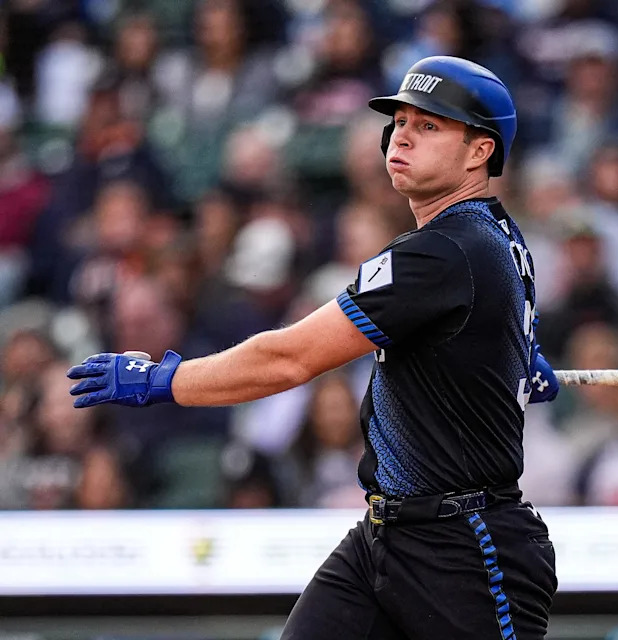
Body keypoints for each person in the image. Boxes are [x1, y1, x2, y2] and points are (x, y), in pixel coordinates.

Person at [67, 56, 560, 640]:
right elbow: (483, 323)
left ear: (480, 151)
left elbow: (289, 359)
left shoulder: (439, 254)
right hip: (388, 537)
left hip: (467, 550)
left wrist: (164, 381)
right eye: (399, 121)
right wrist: (500, 360)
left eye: (429, 126)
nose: (401, 135)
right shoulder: (498, 236)